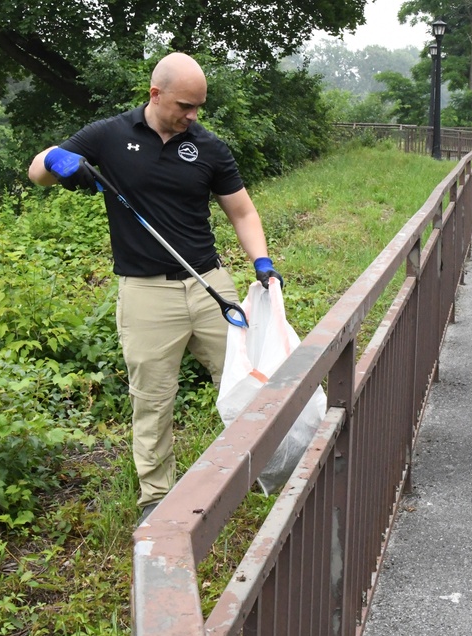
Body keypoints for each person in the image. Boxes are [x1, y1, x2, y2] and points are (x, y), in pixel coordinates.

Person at [28, 52, 283, 523]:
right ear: (155, 94)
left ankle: (265, 473)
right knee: (152, 399)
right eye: (185, 105)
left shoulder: (209, 147)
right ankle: (155, 498)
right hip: (145, 293)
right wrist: (58, 160)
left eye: (198, 107)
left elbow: (242, 212)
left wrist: (261, 262)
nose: (192, 115)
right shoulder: (110, 134)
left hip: (210, 284)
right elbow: (36, 171)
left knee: (250, 381)